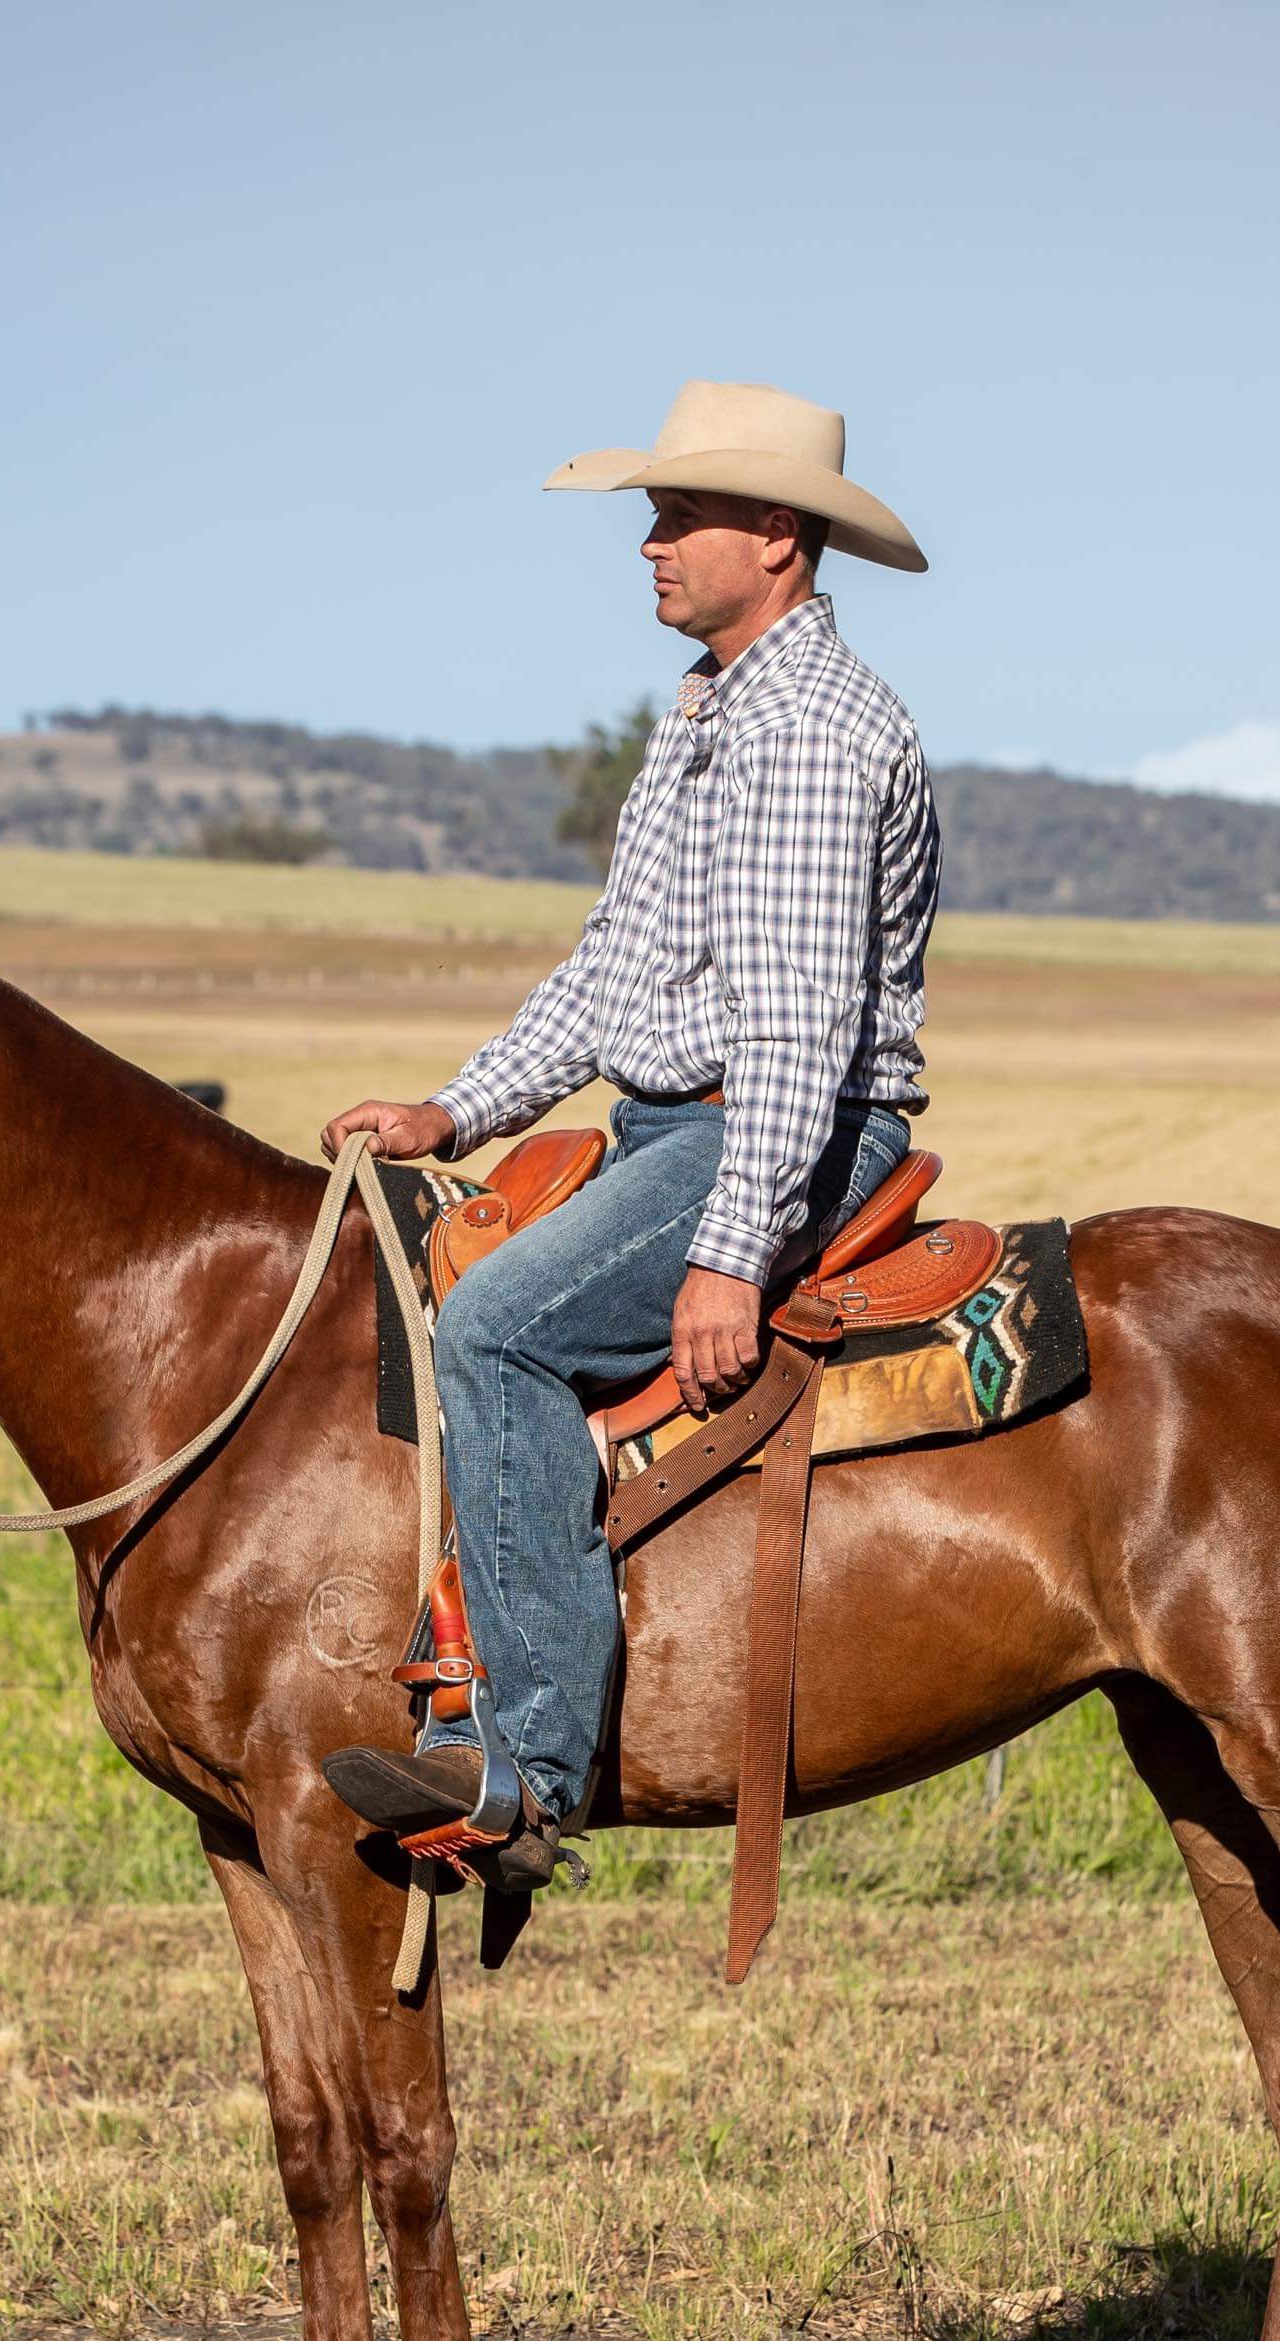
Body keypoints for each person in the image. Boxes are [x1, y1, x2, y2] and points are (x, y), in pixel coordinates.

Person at [319, 381, 941, 1857]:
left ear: (776, 536)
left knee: (496, 1329)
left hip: (771, 1129)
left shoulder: (807, 734)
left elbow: (796, 1026)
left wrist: (734, 1248)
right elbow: (612, 967)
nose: (648, 545)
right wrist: (455, 1110)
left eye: (678, 517)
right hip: (679, 1121)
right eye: (651, 517)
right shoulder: (711, 709)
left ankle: (524, 1771)